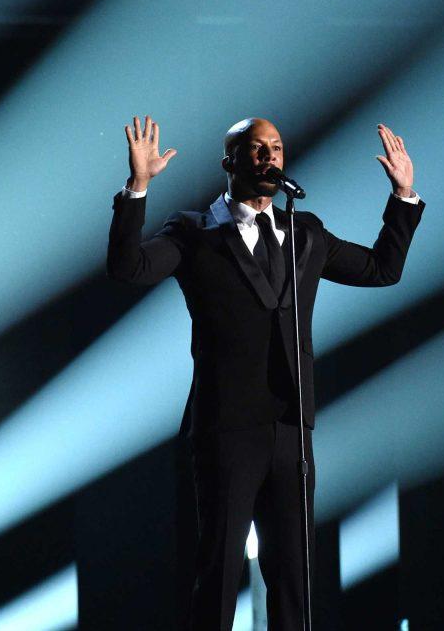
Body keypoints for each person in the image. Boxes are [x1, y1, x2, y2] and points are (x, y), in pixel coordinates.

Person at [106, 115, 423, 630]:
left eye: (275, 147)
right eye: (255, 149)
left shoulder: (306, 233)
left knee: (294, 578)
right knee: (220, 571)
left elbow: (382, 270)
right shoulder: (194, 232)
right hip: (226, 428)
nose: (268, 157)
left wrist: (404, 196)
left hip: (291, 428)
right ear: (230, 162)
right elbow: (128, 269)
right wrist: (138, 187)